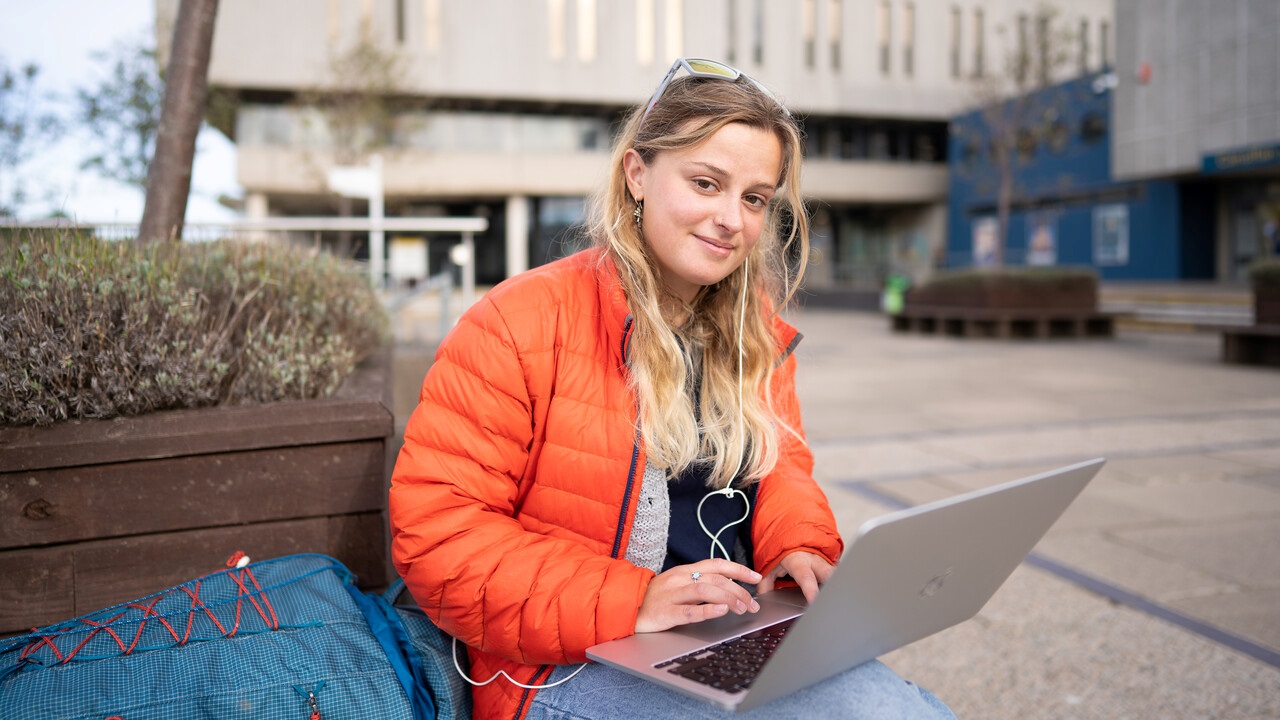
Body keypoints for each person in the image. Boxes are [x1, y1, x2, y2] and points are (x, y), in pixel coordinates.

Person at [389, 58, 955, 720]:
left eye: (753, 198)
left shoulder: (756, 332)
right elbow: (439, 538)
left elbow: (782, 469)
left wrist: (796, 546)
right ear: (637, 174)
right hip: (564, 662)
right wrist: (635, 601)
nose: (731, 220)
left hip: (727, 628)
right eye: (706, 183)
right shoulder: (518, 321)